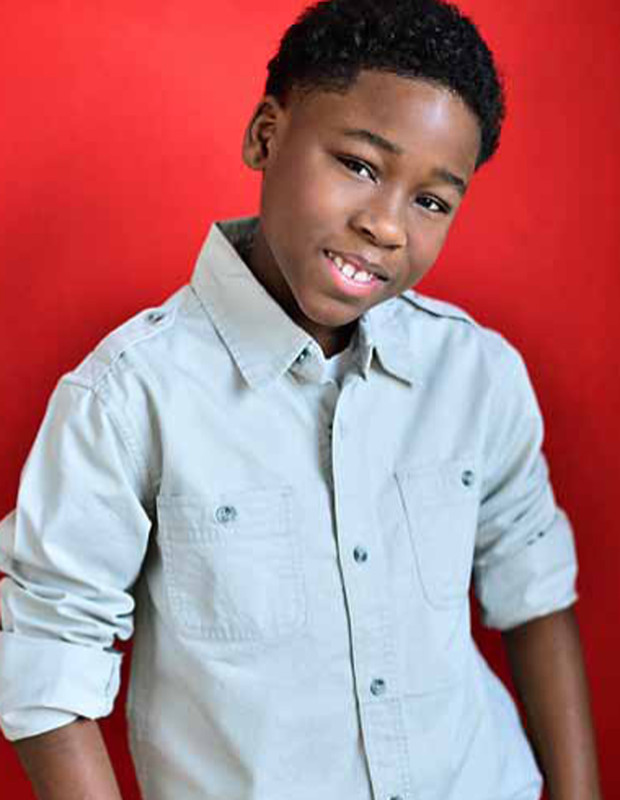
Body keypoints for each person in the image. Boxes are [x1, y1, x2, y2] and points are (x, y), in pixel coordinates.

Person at [0, 0, 602, 798]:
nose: (386, 226)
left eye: (431, 201)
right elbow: (48, 653)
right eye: (359, 164)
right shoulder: (128, 398)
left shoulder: (475, 372)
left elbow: (536, 592)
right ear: (266, 136)